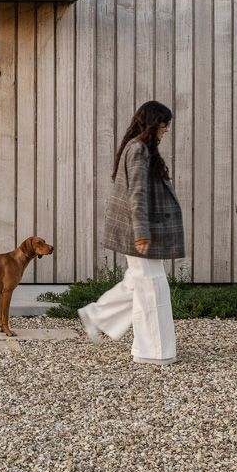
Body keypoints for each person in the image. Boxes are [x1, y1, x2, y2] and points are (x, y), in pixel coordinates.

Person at [79, 100, 184, 364]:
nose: (166, 129)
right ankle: (153, 352)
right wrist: (141, 233)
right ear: (153, 123)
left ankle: (97, 316)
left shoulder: (140, 148)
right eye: (164, 124)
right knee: (151, 286)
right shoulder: (138, 150)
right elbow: (136, 193)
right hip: (138, 230)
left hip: (139, 228)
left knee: (138, 282)